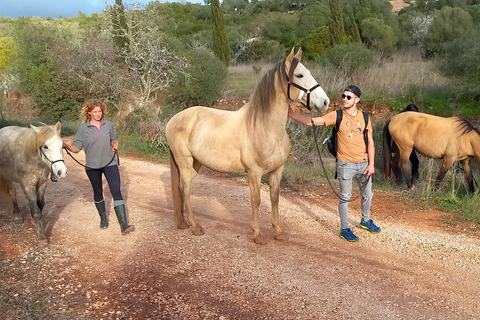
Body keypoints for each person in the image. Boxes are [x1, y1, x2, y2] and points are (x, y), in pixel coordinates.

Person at [288, 85, 380, 241]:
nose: (344, 99)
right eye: (343, 96)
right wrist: (293, 115)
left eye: (348, 97)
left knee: (367, 194)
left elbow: (370, 141)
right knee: (345, 197)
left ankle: (365, 220)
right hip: (345, 165)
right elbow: (312, 121)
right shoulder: (336, 115)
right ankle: (345, 229)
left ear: (357, 99)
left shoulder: (365, 117)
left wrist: (371, 164)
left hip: (364, 163)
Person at [63, 99, 135, 235]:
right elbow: (77, 148)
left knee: (116, 191)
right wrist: (66, 145)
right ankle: (103, 219)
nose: (98, 114)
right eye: (95, 111)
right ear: (89, 112)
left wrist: (115, 144)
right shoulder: (83, 129)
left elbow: (114, 138)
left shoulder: (108, 125)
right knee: (98, 192)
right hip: (92, 166)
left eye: (100, 111)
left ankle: (124, 225)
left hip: (110, 163)